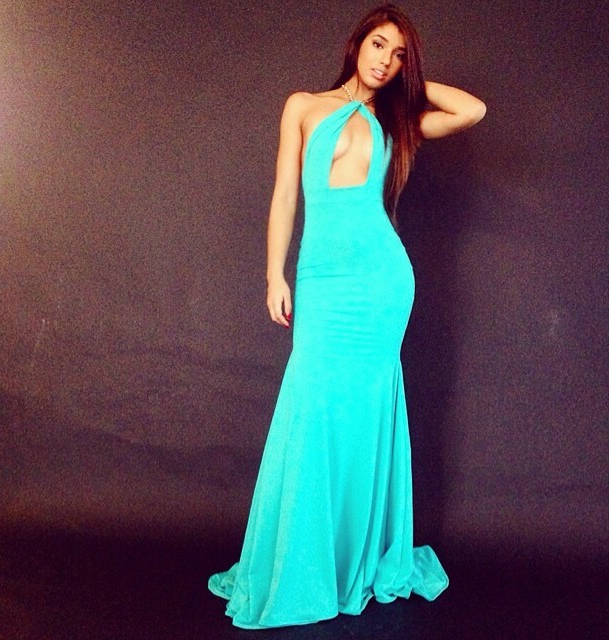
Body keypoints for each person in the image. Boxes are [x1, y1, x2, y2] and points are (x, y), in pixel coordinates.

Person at [208, 3, 486, 629]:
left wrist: (413, 83)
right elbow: (285, 194)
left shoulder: (399, 120)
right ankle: (305, 563)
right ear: (356, 43)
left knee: (364, 415)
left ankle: (353, 559)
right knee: (315, 409)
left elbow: (473, 110)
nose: (385, 60)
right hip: (323, 280)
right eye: (379, 45)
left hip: (381, 281)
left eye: (398, 55)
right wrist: (274, 274)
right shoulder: (303, 106)